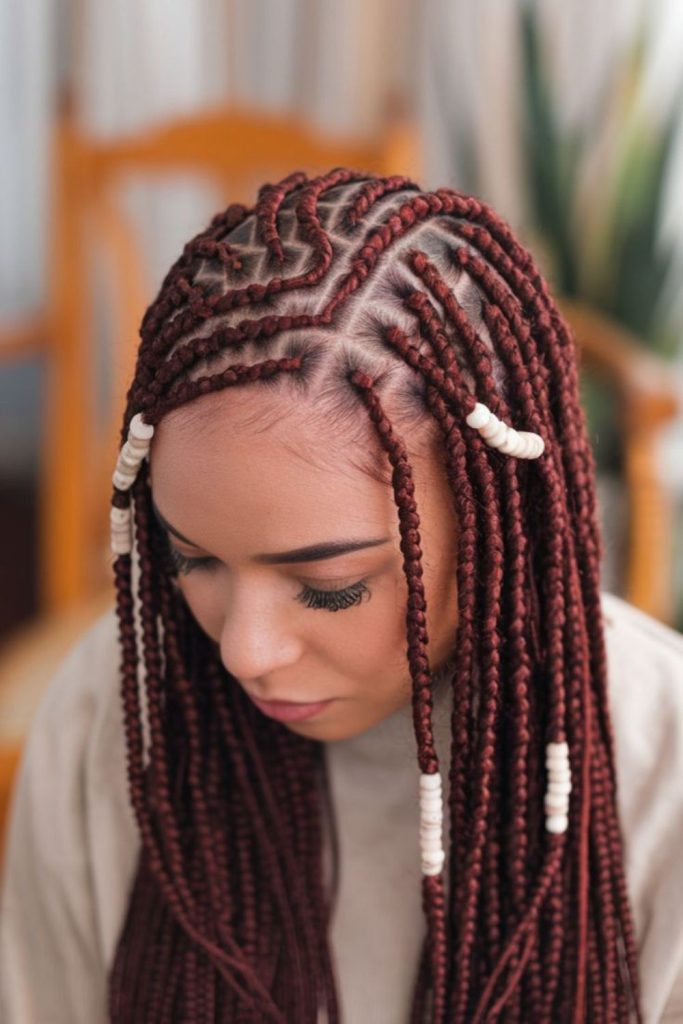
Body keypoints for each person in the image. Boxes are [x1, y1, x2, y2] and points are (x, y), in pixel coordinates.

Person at [1, 169, 683, 1023]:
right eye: (191, 559)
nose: (243, 651)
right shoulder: (112, 722)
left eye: (327, 587)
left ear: (491, 526)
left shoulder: (663, 772)